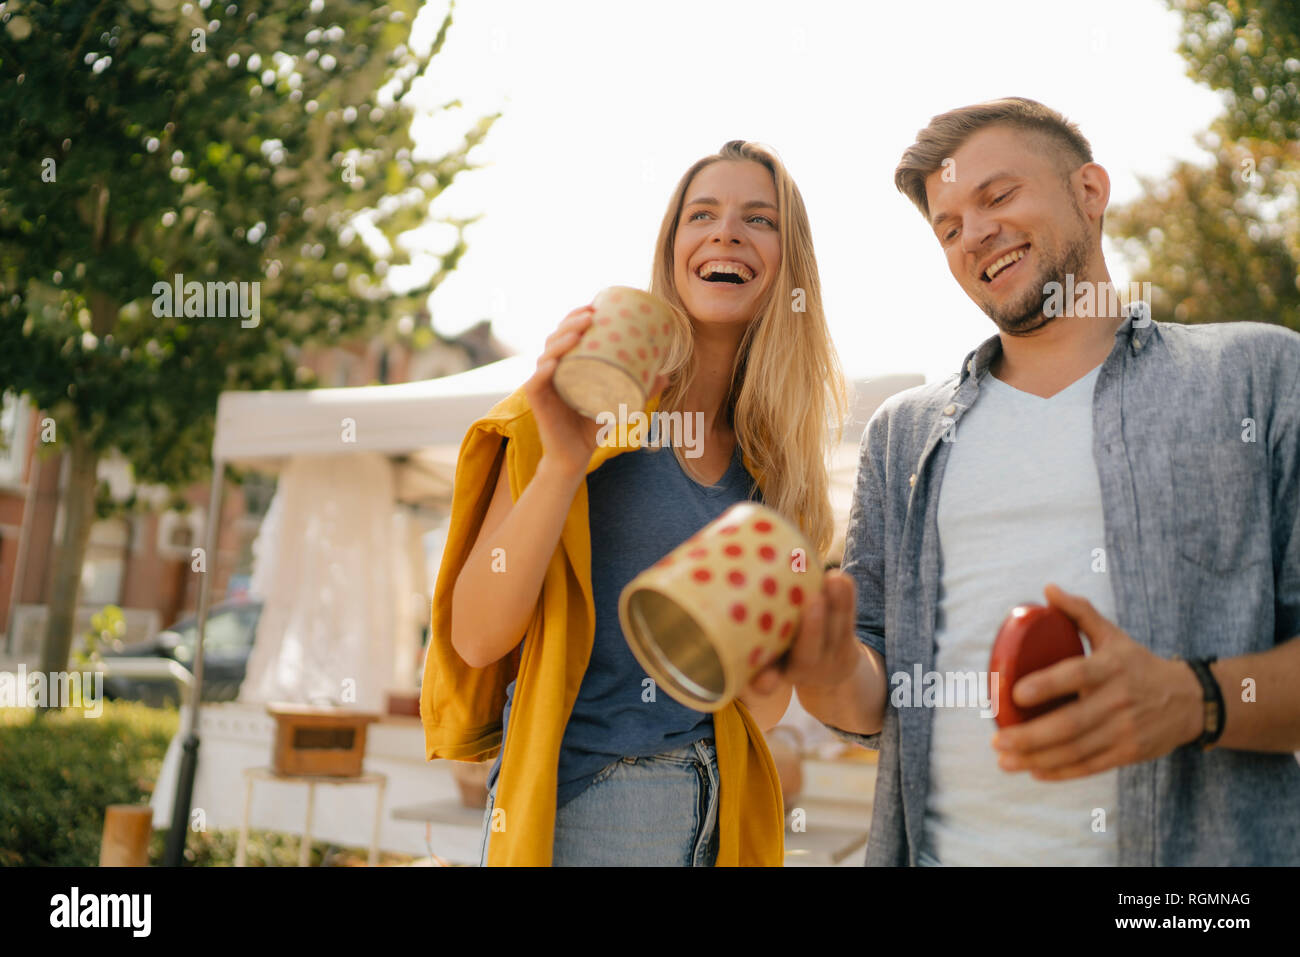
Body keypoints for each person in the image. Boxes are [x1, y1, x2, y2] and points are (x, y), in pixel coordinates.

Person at [755, 97, 1300, 865]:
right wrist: (832, 670)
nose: (973, 232)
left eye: (998, 196)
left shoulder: (1258, 376)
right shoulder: (904, 433)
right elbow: (870, 700)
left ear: (1090, 190)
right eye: (948, 227)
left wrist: (1191, 699)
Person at [420, 140, 847, 866]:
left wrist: (782, 651)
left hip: (723, 812)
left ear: (789, 265)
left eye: (759, 219)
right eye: (701, 214)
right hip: (587, 808)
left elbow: (760, 709)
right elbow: (476, 638)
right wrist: (562, 462)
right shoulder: (568, 410)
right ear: (673, 246)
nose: (725, 233)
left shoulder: (779, 468)